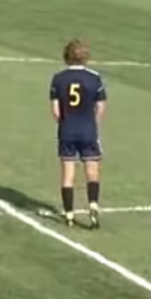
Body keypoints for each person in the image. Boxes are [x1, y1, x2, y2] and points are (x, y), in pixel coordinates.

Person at [49, 39, 107, 229]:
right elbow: (100, 106)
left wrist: (65, 123)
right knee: (92, 171)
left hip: (67, 130)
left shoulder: (58, 78)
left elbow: (56, 111)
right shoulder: (94, 78)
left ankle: (69, 215)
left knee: (68, 173)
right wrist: (93, 124)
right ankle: (93, 206)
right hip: (88, 130)